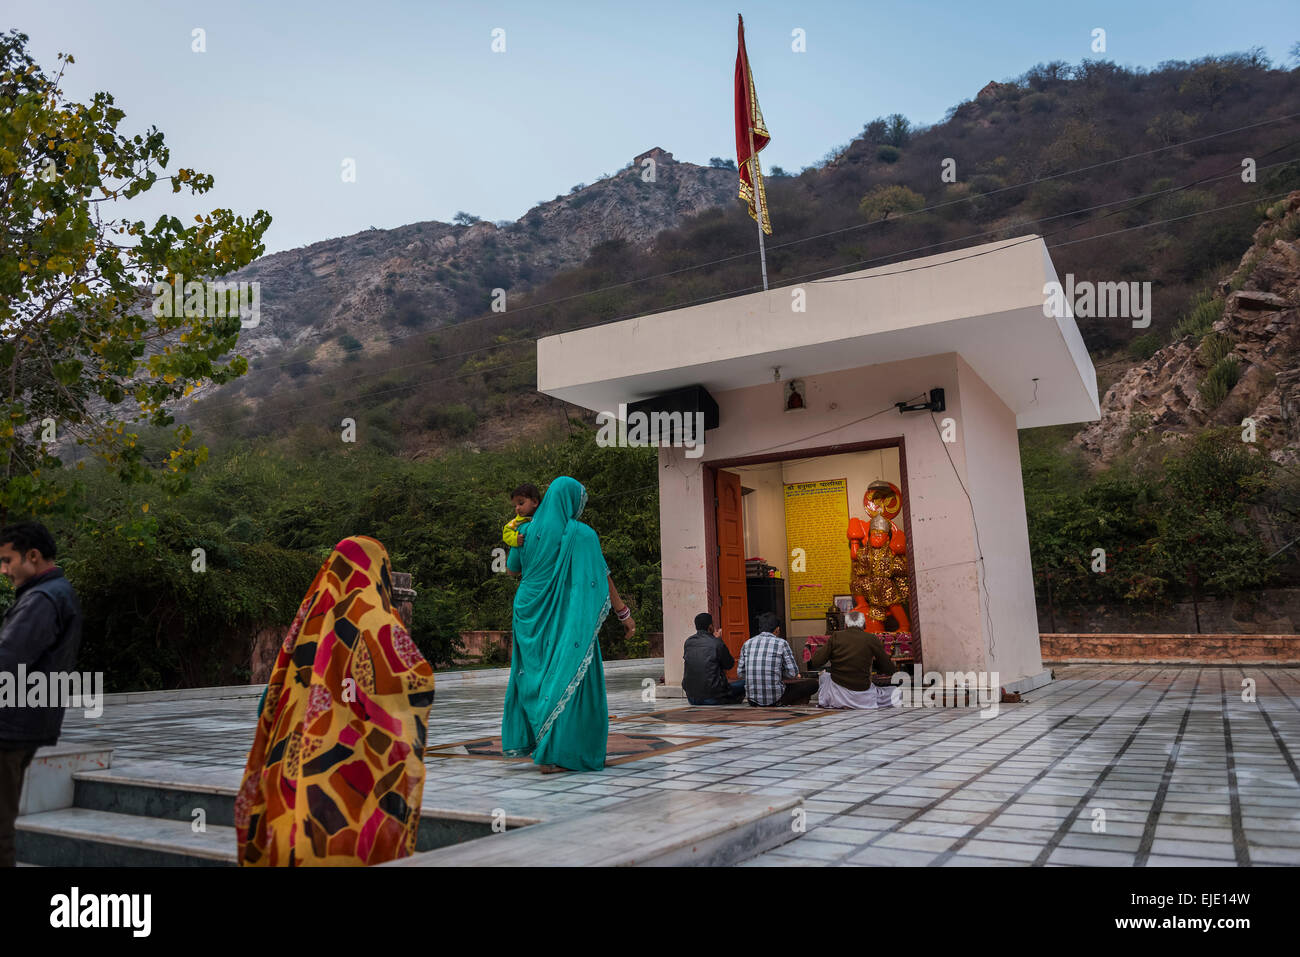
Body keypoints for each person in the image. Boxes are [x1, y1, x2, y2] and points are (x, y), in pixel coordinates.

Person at [235, 536, 436, 866]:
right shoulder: (375, 615)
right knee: (349, 828)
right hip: (350, 757)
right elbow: (414, 680)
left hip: (296, 755)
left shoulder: (310, 614)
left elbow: (275, 690)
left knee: (298, 826)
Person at [501, 476, 635, 773]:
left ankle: (540, 745)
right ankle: (558, 753)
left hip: (527, 611)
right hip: (566, 615)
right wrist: (623, 614)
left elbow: (512, 571)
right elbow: (602, 575)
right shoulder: (581, 534)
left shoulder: (522, 530)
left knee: (535, 678)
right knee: (569, 674)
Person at [0, 521, 83, 868]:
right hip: (23, 724)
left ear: (32, 556)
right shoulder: (53, 593)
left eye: (7, 560)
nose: (4, 570)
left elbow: (7, 659)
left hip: (9, 727)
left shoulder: (43, 599)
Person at [809, 610, 899, 710]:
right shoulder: (871, 638)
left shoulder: (836, 636)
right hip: (863, 695)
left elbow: (816, 661)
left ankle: (836, 702)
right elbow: (889, 669)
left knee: (824, 676)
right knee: (896, 692)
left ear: (846, 625)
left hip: (838, 694)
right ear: (864, 624)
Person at [737, 611, 817, 707]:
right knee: (813, 684)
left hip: (752, 700)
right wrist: (778, 673)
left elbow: (740, 674)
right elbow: (793, 673)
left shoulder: (747, 643)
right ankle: (790, 703)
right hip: (775, 699)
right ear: (777, 629)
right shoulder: (781, 643)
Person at [682, 612, 744, 705]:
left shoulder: (688, 642)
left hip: (691, 698)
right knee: (746, 683)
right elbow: (729, 664)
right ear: (710, 627)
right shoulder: (716, 643)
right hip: (713, 697)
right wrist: (719, 640)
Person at [503, 482, 541, 552]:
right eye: (515, 505)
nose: (517, 508)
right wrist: (515, 539)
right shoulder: (517, 521)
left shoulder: (543, 515)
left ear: (535, 502)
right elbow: (506, 532)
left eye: (521, 503)